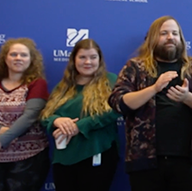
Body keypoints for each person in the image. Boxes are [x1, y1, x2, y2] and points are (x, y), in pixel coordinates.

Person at [108, 16, 192, 191]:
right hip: (144, 160)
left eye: (175, 33)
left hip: (186, 159)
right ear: (153, 38)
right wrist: (154, 88)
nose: (170, 37)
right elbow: (118, 102)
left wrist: (187, 97)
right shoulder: (135, 67)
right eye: (164, 33)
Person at [41, 39, 120, 191]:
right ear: (74, 60)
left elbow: (114, 110)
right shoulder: (64, 85)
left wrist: (78, 126)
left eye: (93, 57)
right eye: (82, 57)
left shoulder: (110, 81)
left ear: (100, 59)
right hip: (64, 157)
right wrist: (57, 121)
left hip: (97, 152)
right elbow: (46, 115)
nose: (88, 62)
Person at [0, 38, 50, 191]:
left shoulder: (37, 84)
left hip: (27, 161)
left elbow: (30, 116)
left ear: (31, 59)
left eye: (23, 55)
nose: (18, 58)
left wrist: (3, 138)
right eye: (13, 54)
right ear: (5, 58)